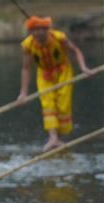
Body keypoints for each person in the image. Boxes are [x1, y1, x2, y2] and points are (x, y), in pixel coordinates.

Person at [16, 16, 91, 152]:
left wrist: (83, 68)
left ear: (47, 30)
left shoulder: (59, 37)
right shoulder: (28, 45)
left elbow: (76, 51)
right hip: (44, 75)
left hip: (63, 72)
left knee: (63, 105)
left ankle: (58, 138)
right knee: (48, 104)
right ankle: (53, 138)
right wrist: (23, 92)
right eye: (34, 31)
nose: (38, 35)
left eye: (41, 31)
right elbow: (26, 68)